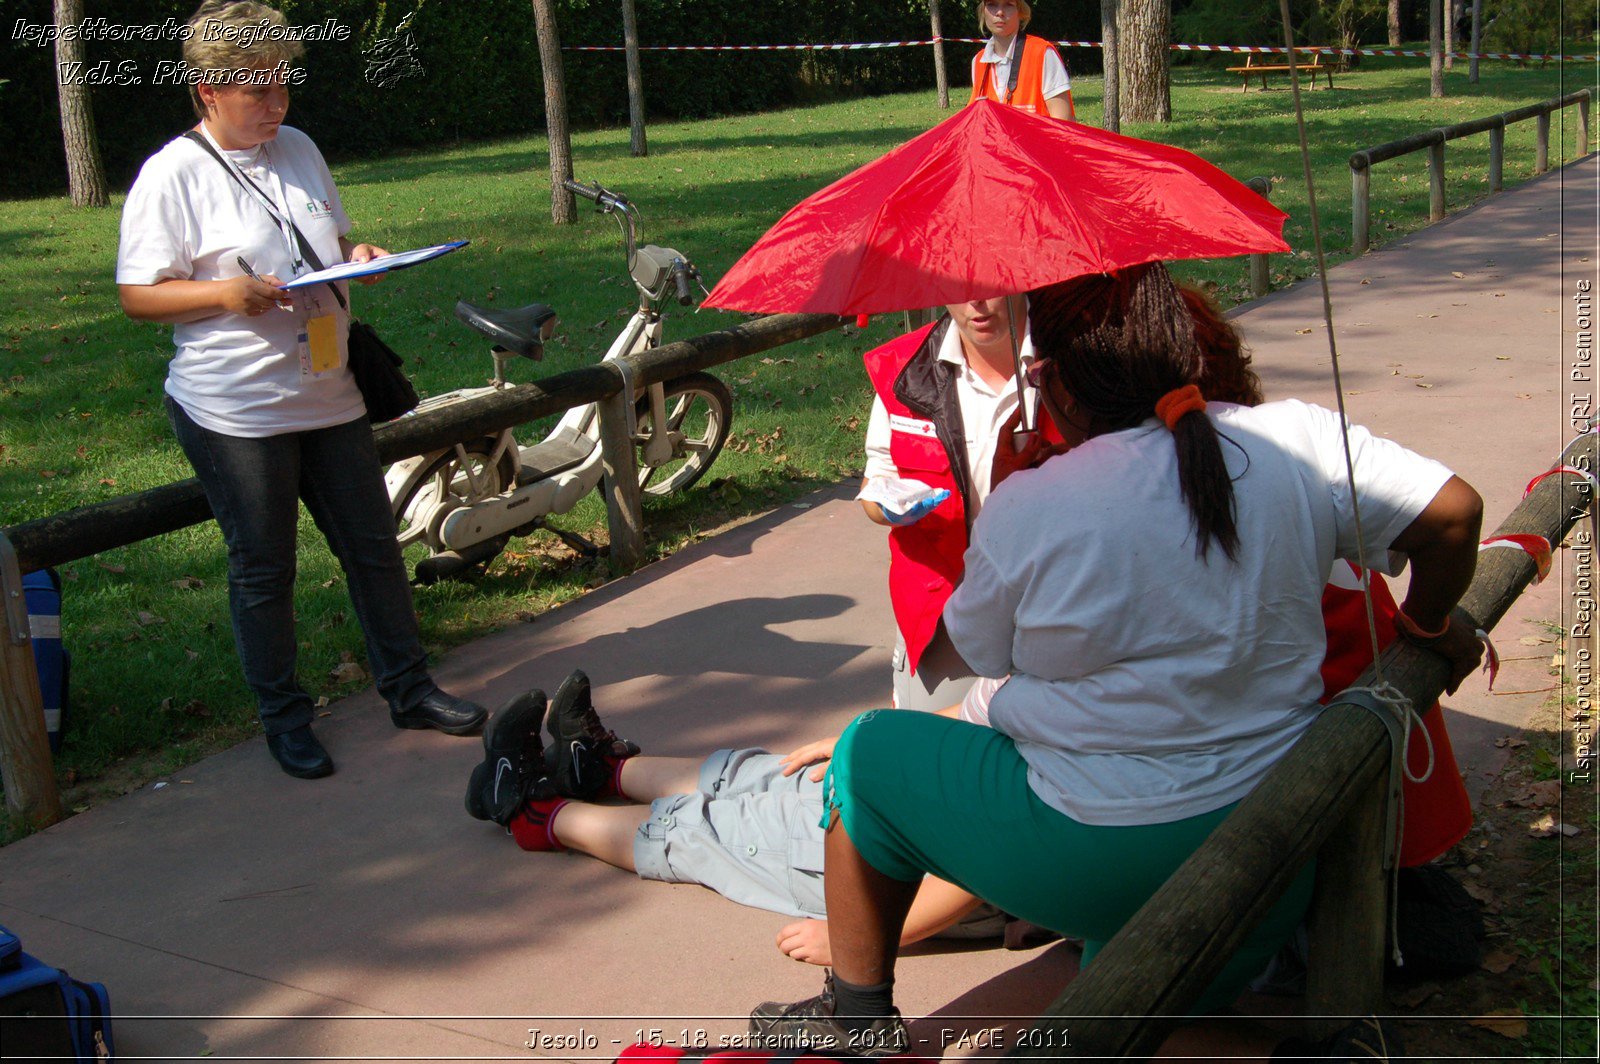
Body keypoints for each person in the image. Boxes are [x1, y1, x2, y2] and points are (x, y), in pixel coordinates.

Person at [747, 263, 1485, 1059]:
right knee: (1112, 1010)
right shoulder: (1297, 439)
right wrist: (1429, 620)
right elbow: (1454, 513)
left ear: (1056, 382)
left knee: (865, 751)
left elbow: (974, 653)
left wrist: (1012, 495)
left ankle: (856, 1022)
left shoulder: (1039, 499)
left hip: (1104, 862)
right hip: (1271, 853)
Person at [115, 1, 487, 780]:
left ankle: (410, 688)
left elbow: (331, 238)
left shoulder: (300, 149)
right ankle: (285, 719)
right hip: (235, 409)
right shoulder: (171, 175)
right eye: (257, 90)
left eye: (283, 85)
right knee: (265, 566)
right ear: (206, 91)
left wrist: (362, 249)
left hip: (328, 388)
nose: (276, 105)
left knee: (373, 548)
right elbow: (139, 295)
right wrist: (222, 294)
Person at [464, 671, 996, 959]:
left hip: (926, 874)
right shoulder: (1067, 656)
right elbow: (991, 710)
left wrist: (859, 939)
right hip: (930, 799)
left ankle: (537, 815)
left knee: (715, 832)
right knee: (769, 773)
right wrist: (870, 742)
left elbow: (988, 859)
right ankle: (600, 770)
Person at [859, 295, 1051, 711]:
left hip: (1054, 601)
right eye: (959, 288)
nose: (977, 303)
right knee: (929, 753)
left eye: (991, 284)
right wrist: (886, 507)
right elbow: (877, 478)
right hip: (944, 610)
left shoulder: (1070, 358)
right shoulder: (906, 370)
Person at [969, 1, 1074, 120]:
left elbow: (1065, 125)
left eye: (1008, 4)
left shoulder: (1043, 53)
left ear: (1020, 11)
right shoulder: (978, 62)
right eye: (992, 4)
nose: (999, 12)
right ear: (983, 11)